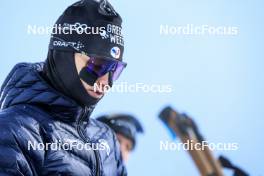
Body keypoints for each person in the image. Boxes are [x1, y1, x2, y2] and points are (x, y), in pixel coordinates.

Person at [0, 0, 127, 175]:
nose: (106, 81)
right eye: (98, 66)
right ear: (63, 56)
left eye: (115, 70)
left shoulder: (107, 140)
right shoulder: (14, 130)